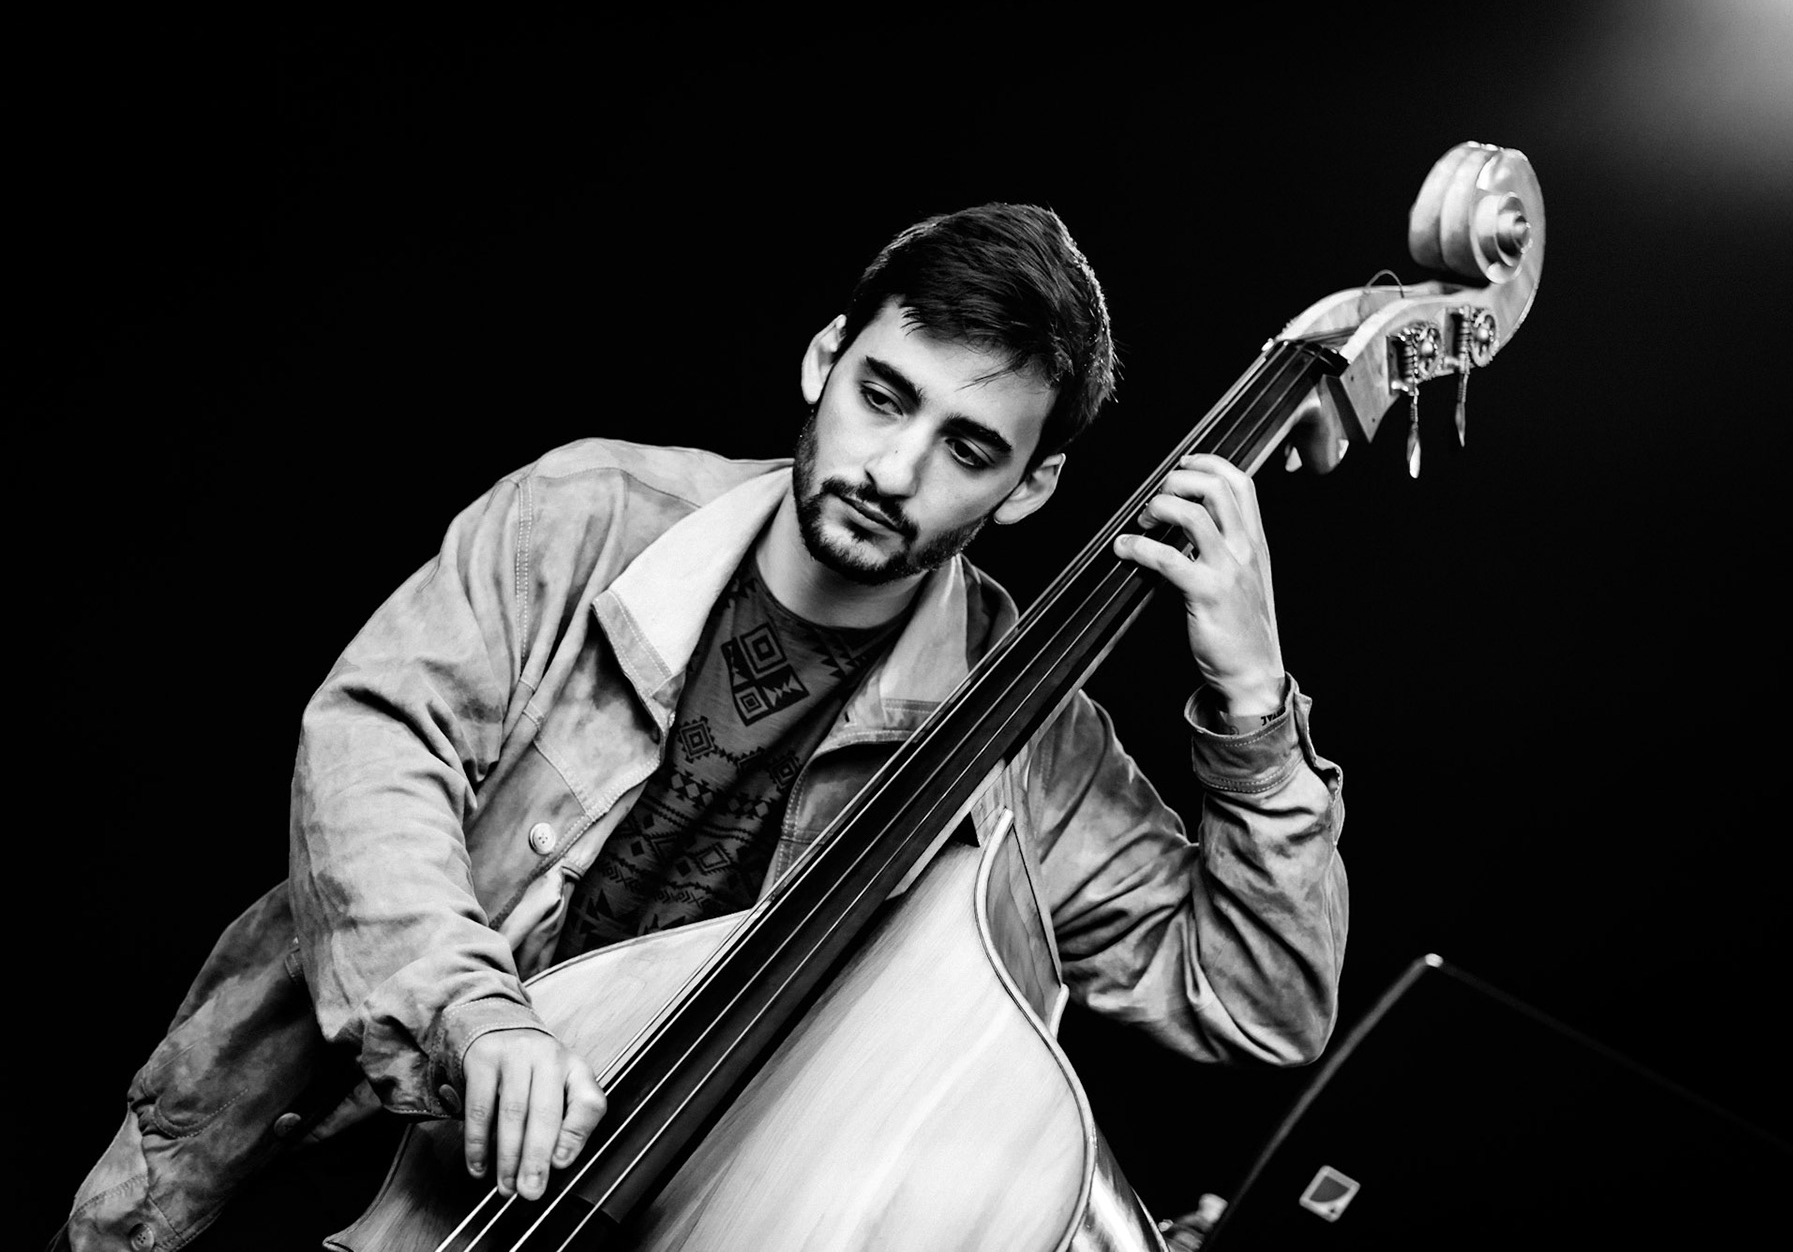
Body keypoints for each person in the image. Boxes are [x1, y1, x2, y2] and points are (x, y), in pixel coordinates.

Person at [61, 203, 1348, 1250]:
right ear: (824, 359)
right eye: (885, 397)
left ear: (1034, 486)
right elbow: (371, 747)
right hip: (291, 1132)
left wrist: (1250, 696)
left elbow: (1259, 1002)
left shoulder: (1030, 743)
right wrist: (477, 1014)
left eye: (969, 446)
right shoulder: (587, 514)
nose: (894, 472)